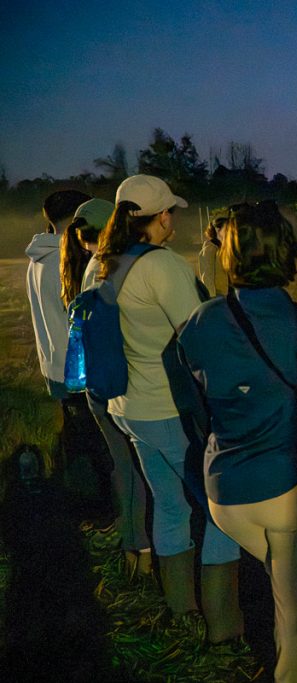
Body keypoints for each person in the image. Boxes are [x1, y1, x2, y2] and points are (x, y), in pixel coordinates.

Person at [179, 200, 297, 683]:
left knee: (293, 580)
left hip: (228, 498)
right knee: (295, 630)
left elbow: (198, 414)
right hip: (293, 493)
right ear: (287, 255)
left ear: (227, 254)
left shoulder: (197, 325)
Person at [93, 174, 242, 643]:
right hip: (168, 410)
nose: (173, 219)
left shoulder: (101, 262)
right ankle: (223, 626)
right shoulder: (162, 266)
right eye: (170, 212)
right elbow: (199, 337)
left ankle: (181, 609)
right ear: (160, 217)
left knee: (170, 504)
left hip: (125, 407)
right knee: (221, 511)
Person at [63, 198, 153, 578]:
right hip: (117, 383)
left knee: (122, 468)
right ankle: (145, 554)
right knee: (136, 470)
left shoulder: (84, 269)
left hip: (94, 385)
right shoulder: (112, 268)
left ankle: (134, 550)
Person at [27, 188, 113, 521]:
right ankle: (102, 513)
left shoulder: (38, 257)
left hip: (54, 365)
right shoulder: (66, 260)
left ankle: (79, 508)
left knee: (78, 444)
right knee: (98, 449)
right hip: (77, 368)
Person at [197, 212, 229, 297]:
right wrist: (211, 296)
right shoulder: (210, 248)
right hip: (219, 295)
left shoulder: (229, 246)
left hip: (231, 293)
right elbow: (207, 275)